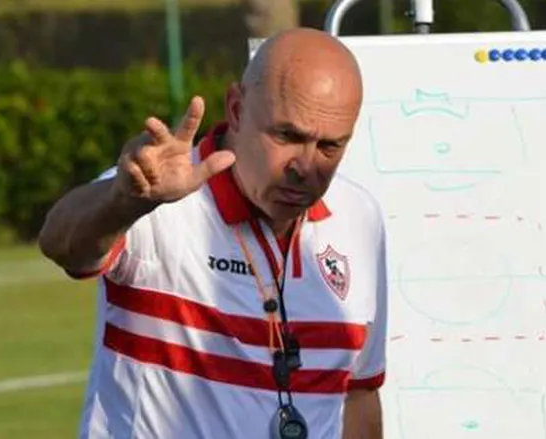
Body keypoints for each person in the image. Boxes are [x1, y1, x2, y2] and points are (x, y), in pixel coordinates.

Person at [38, 26, 388, 439]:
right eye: (287, 135)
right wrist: (123, 202)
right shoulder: (158, 193)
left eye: (330, 146)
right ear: (236, 109)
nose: (305, 166)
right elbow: (61, 243)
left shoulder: (360, 218)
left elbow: (359, 392)